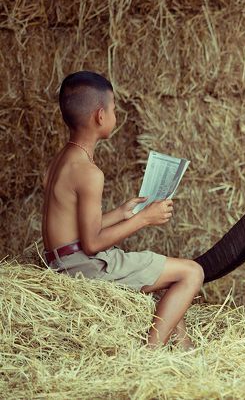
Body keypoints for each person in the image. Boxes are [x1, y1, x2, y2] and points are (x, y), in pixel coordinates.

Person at [41, 70, 204, 349]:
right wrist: (144, 219)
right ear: (100, 116)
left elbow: (77, 229)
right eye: (114, 109)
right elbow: (91, 244)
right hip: (83, 267)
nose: (116, 116)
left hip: (62, 262)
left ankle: (184, 352)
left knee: (167, 283)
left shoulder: (63, 159)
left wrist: (121, 213)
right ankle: (149, 355)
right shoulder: (89, 172)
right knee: (192, 273)